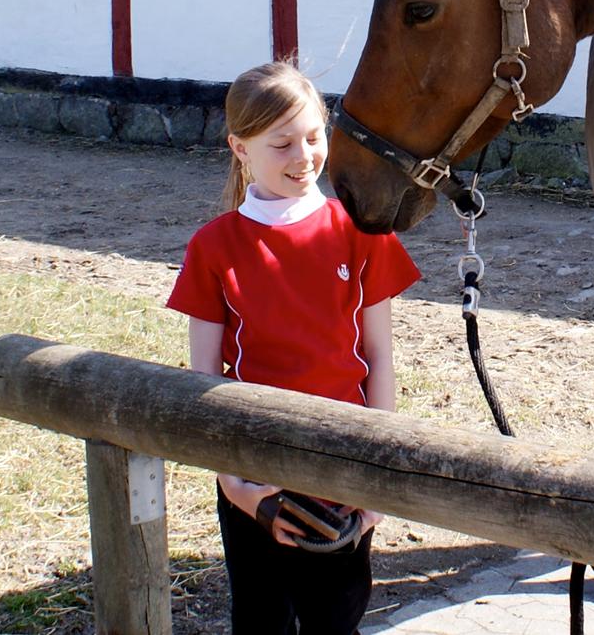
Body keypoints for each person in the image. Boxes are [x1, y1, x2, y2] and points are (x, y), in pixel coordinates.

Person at [167, 61, 420, 634]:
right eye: (281, 144)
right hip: (254, 465)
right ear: (240, 147)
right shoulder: (213, 247)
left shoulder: (361, 232)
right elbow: (203, 381)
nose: (303, 157)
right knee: (260, 621)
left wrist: (375, 478)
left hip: (342, 462)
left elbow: (379, 358)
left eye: (313, 137)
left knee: (336, 621)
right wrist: (241, 492)